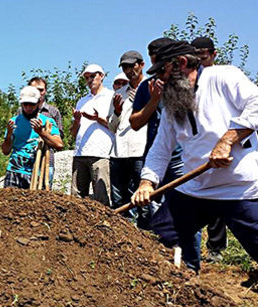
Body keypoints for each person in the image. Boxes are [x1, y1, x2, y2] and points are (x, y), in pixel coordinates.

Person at [132, 40, 258, 272]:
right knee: (157, 238)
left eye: (163, 71)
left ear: (181, 63)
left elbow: (256, 103)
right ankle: (181, 284)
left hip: (240, 188)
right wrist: (147, 182)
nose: (160, 79)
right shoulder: (173, 103)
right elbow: (161, 148)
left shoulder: (223, 77)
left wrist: (228, 139)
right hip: (196, 188)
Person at [190, 36, 226, 263]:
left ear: (213, 55)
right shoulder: (190, 83)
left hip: (222, 149)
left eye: (204, 55)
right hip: (197, 149)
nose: (201, 60)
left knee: (220, 201)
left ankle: (215, 247)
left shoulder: (224, 78)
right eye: (196, 56)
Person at [108, 51, 148, 222]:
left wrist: (143, 103)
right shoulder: (120, 93)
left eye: (132, 65)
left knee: (142, 195)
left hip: (141, 148)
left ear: (141, 65)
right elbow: (112, 125)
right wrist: (117, 111)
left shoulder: (151, 87)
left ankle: (146, 232)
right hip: (119, 150)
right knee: (118, 196)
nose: (129, 70)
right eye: (125, 67)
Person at [69, 64, 114, 205]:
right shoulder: (82, 101)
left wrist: (97, 118)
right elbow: (73, 132)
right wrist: (76, 121)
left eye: (93, 76)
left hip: (102, 153)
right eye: (87, 77)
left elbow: (116, 126)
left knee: (102, 198)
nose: (90, 79)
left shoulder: (112, 97)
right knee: (76, 199)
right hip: (80, 153)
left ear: (102, 76)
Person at [1, 86, 63, 188]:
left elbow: (59, 144)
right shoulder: (14, 122)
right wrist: (9, 134)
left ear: (38, 102)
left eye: (32, 104)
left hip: (38, 173)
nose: (28, 108)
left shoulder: (47, 122)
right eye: (25, 104)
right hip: (14, 172)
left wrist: (41, 132)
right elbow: (5, 151)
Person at [26, 77, 63, 188]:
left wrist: (42, 133)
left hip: (46, 162)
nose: (38, 93)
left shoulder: (53, 112)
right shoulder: (22, 111)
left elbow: (58, 141)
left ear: (45, 91)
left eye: (41, 90)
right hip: (26, 162)